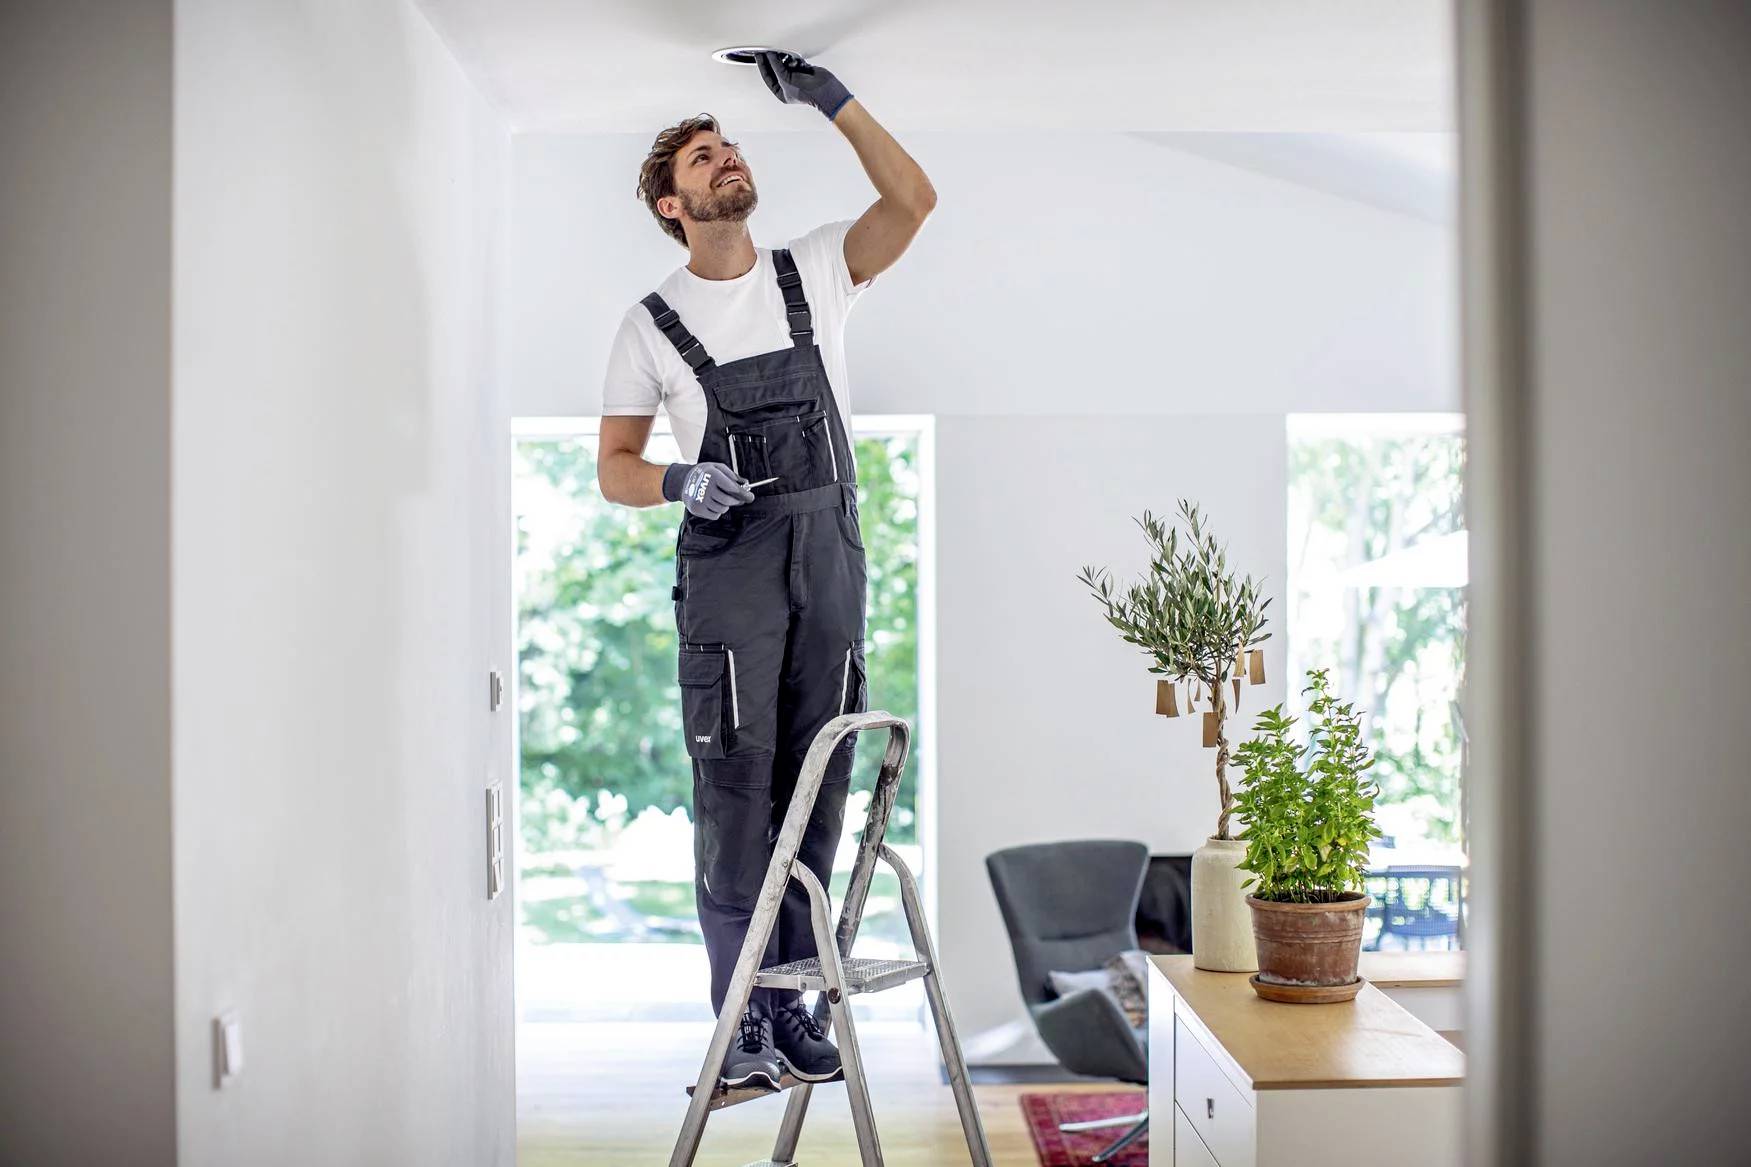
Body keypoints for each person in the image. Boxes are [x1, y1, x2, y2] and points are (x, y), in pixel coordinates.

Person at [596, 52, 935, 1090]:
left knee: (814, 789)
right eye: (705, 156)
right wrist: (675, 483)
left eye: (731, 145)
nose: (727, 158)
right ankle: (738, 1021)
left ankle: (785, 1006)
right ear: (674, 201)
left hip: (826, 557)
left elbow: (913, 198)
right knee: (736, 790)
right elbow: (612, 467)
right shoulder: (650, 324)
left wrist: (826, 96)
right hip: (728, 568)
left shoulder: (814, 271)